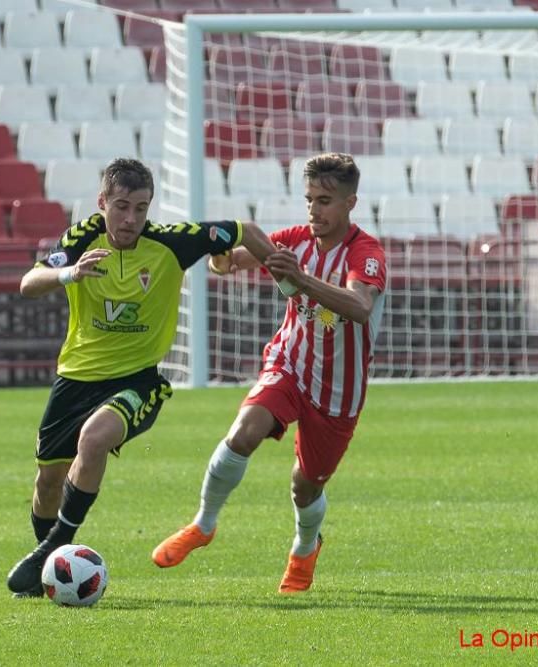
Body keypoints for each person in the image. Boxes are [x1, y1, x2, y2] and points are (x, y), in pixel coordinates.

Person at [6, 158, 283, 597]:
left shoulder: (172, 243)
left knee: (94, 440)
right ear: (102, 203)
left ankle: (57, 545)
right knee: (47, 483)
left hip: (138, 381)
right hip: (75, 378)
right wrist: (69, 273)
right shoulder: (81, 238)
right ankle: (50, 560)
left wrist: (289, 281)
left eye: (140, 207)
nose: (131, 218)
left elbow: (244, 230)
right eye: (121, 206)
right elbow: (28, 282)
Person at [151, 153, 387, 593]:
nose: (315, 210)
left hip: (339, 391)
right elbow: (231, 261)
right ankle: (203, 524)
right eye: (310, 199)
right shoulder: (293, 239)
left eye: (326, 200)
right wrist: (220, 252)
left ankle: (304, 546)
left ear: (350, 203)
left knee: (305, 488)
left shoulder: (366, 252)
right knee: (244, 431)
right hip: (290, 365)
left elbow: (359, 307)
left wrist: (300, 280)